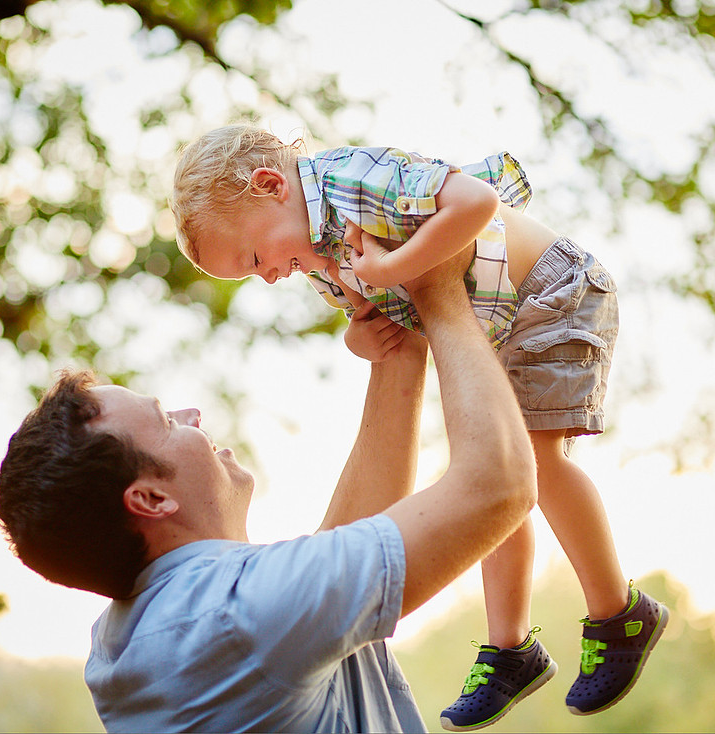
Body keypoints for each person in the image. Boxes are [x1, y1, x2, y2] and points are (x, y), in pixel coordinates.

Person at [169, 123, 670, 730]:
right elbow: (369, 312)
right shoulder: (314, 255)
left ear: (271, 184)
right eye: (253, 275)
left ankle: (618, 612)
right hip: (496, 322)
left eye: (254, 259)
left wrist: (397, 266)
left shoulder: (354, 180)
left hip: (550, 292)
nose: (269, 276)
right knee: (489, 475)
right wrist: (360, 334)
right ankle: (511, 648)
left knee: (535, 461)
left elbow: (477, 204)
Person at [0, 253, 538, 733]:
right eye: (166, 420)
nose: (194, 416)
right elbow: (499, 485)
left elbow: (346, 543)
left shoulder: (148, 636)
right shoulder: (232, 619)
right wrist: (438, 285)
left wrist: (399, 346)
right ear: (152, 500)